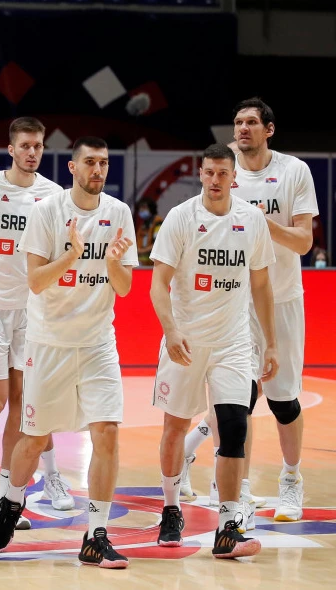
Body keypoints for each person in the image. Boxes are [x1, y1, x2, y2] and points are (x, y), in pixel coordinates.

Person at [0, 136, 137, 570]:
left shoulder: (119, 213)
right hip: (49, 342)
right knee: (34, 438)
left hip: (97, 342)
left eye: (103, 163)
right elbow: (35, 282)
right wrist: (72, 256)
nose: (98, 169)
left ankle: (96, 535)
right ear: (72, 168)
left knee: (107, 432)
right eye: (90, 162)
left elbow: (125, 288)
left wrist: (113, 265)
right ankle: (11, 500)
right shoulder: (47, 212)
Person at [149, 143, 275, 558]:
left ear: (234, 178)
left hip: (233, 342)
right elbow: (158, 284)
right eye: (209, 172)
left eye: (223, 173)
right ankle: (171, 508)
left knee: (235, 427)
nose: (216, 180)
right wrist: (171, 331)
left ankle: (227, 526)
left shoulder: (251, 220)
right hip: (186, 340)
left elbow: (261, 285)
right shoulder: (181, 217)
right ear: (200, 173)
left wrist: (270, 343)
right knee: (175, 426)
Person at [0, 121, 74, 531]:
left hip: (32, 312)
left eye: (38, 146)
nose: (32, 152)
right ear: (10, 149)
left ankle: (5, 496)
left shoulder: (53, 195)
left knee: (23, 404)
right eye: (25, 146)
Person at [231, 98, 318, 522]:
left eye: (251, 122)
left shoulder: (293, 171)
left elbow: (304, 242)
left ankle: (291, 478)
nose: (242, 129)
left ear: (269, 129)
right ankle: (240, 492)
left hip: (282, 298)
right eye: (238, 122)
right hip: (236, 303)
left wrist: (263, 224)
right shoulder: (223, 169)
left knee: (283, 401)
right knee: (239, 400)